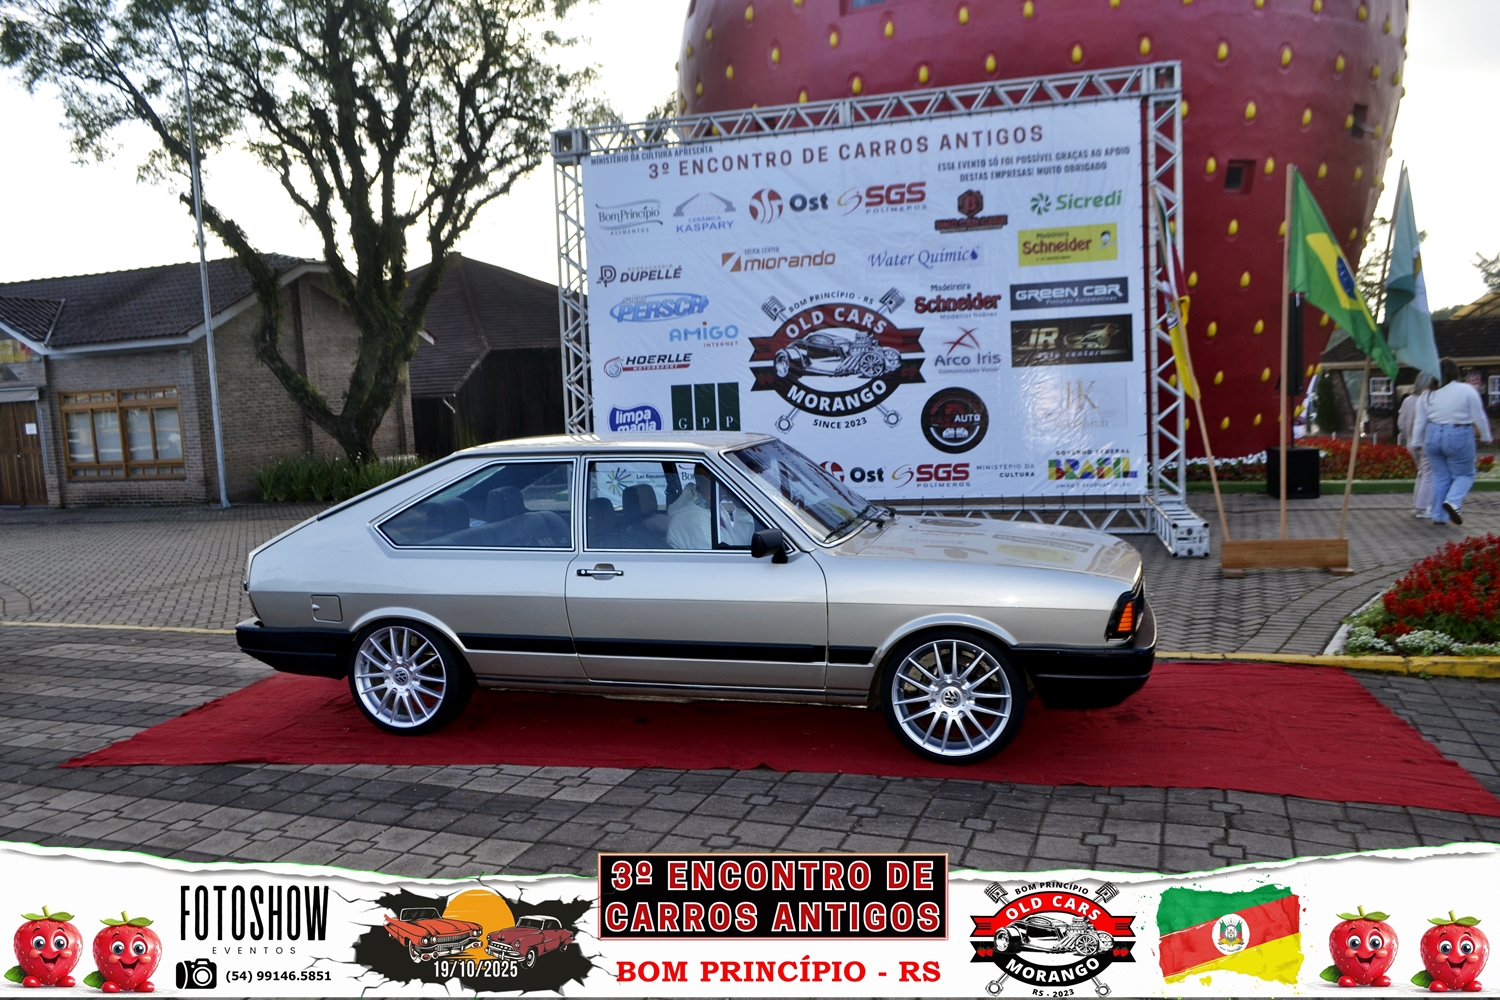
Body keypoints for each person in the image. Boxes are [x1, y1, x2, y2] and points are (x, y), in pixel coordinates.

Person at [1413, 359, 1492, 526]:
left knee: (1440, 477)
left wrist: (1415, 441)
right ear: (1456, 373)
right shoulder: (1466, 390)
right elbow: (1478, 415)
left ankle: (1438, 515)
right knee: (1465, 474)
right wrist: (1486, 436)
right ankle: (1453, 501)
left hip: (1432, 434)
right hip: (1458, 432)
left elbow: (1420, 421)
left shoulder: (1427, 395)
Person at [1398, 372, 1435, 518]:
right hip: (1426, 441)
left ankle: (1418, 505)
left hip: (1411, 442)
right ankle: (1423, 507)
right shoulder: (1428, 400)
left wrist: (1408, 436)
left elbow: (1401, 423)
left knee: (1421, 473)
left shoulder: (1407, 401)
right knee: (1428, 475)